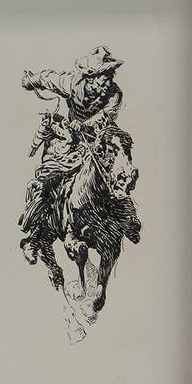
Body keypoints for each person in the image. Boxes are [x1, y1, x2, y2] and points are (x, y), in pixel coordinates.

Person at [19, 45, 124, 264]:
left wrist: (86, 124)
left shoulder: (115, 94)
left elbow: (106, 117)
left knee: (119, 173)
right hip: (68, 143)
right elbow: (49, 79)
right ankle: (34, 237)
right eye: (103, 76)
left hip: (96, 143)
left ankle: (125, 219)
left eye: (110, 75)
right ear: (90, 76)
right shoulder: (72, 83)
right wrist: (31, 81)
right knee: (47, 181)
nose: (107, 82)